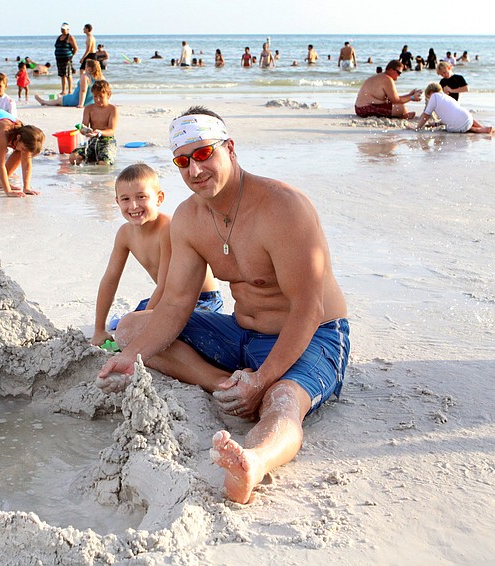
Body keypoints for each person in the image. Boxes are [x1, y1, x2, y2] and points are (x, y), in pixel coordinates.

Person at [96, 107, 350, 505]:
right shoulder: (189, 219)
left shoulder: (283, 208)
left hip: (311, 332)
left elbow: (308, 309)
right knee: (130, 329)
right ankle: (225, 384)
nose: (195, 171)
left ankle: (253, 461)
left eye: (203, 154)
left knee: (281, 401)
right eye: (183, 161)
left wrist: (263, 378)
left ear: (229, 148)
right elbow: (177, 303)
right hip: (241, 330)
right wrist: (129, 358)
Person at [91, 163, 225, 348]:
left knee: (144, 328)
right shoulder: (124, 234)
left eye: (141, 197)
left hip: (201, 300)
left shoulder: (168, 229)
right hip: (168, 298)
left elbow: (165, 286)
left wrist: (142, 328)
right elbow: (110, 279)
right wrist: (99, 329)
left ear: (159, 198)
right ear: (117, 202)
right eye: (125, 199)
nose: (133, 205)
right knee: (134, 317)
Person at [69, 80, 118, 167]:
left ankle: (100, 160)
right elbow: (83, 127)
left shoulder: (112, 109)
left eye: (101, 96)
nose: (97, 99)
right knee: (73, 158)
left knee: (103, 164)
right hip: (92, 141)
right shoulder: (88, 109)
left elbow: (112, 130)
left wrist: (100, 132)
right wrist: (85, 131)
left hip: (107, 141)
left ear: (108, 95)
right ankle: (92, 159)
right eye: (95, 96)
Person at [414, 82, 495, 134]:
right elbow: (450, 116)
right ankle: (482, 127)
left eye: (428, 97)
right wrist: (436, 124)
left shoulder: (434, 96)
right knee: (466, 119)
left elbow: (426, 115)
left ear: (431, 92)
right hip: (467, 116)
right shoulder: (446, 97)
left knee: (458, 126)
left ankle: (478, 130)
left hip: (460, 124)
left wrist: (417, 128)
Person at [354, 60, 421, 119]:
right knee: (401, 108)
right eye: (399, 72)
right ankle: (402, 116)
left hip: (359, 108)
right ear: (391, 70)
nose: (399, 75)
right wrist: (412, 97)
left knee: (399, 107)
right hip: (365, 109)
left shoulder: (381, 76)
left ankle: (401, 115)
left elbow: (393, 98)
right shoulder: (387, 79)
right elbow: (396, 100)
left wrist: (409, 95)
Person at [35, 59, 103, 108]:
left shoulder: (85, 76)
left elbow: (83, 91)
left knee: (59, 100)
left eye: (86, 66)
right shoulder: (100, 77)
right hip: (91, 102)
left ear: (89, 68)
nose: (84, 67)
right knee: (60, 100)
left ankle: (44, 102)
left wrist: (81, 104)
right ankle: (45, 102)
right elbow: (104, 90)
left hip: (77, 99)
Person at [54, 23, 79, 95]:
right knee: (62, 75)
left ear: (68, 29)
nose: (62, 30)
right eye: (61, 29)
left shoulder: (70, 37)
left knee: (68, 75)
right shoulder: (59, 37)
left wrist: (71, 56)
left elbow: (75, 48)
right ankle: (63, 90)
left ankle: (70, 90)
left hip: (67, 59)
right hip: (59, 59)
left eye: (64, 29)